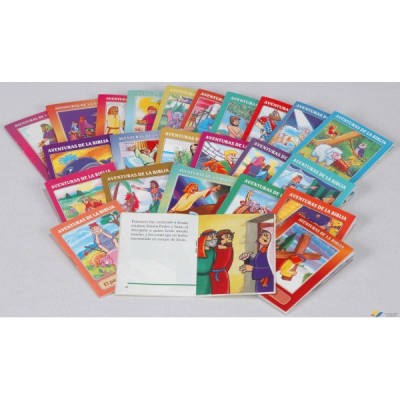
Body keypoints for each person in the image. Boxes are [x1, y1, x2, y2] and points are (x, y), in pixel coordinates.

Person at [210, 229, 234, 294]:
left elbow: (230, 262)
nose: (228, 237)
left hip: (223, 274)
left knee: (224, 293)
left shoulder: (230, 248)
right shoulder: (213, 248)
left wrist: (223, 271)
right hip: (211, 274)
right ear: (220, 236)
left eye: (230, 237)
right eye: (226, 236)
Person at [196, 230, 217, 295]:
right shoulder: (195, 250)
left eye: (215, 237)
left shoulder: (212, 251)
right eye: (211, 237)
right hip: (196, 278)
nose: (214, 239)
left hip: (206, 279)